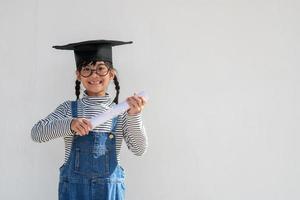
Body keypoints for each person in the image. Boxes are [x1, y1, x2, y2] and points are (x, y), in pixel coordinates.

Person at [31, 40, 148, 200]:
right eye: (87, 69)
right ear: (78, 75)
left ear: (111, 73)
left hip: (109, 193)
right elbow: (37, 133)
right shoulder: (68, 109)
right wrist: (69, 124)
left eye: (101, 69)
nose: (94, 75)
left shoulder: (120, 112)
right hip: (74, 192)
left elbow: (139, 149)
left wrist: (134, 116)